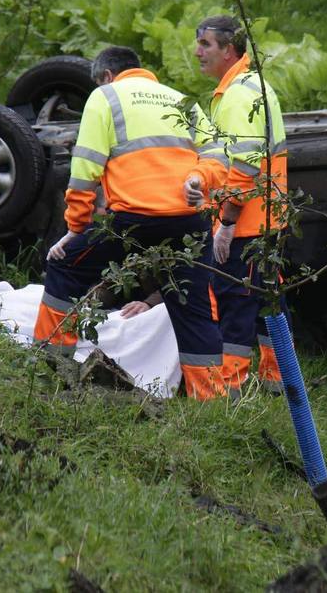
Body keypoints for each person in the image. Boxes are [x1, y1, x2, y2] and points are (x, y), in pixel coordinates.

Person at [36, 46, 227, 400]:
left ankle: (49, 368)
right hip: (190, 220)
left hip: (133, 219)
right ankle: (212, 399)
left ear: (107, 76)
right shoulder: (180, 99)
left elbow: (84, 171)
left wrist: (75, 229)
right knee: (194, 304)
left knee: (64, 270)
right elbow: (218, 156)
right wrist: (199, 179)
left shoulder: (104, 97)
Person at [186, 15, 288, 394]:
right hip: (269, 221)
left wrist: (226, 222)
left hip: (247, 223)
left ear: (229, 50)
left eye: (206, 44)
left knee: (234, 305)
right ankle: (279, 382)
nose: (198, 51)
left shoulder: (238, 96)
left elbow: (243, 167)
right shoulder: (253, 86)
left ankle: (229, 390)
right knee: (268, 303)